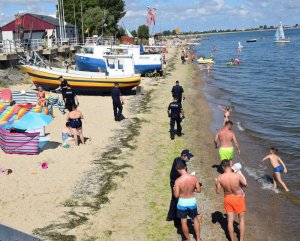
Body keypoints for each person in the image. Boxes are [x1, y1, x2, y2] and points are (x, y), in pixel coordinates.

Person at [216, 160, 247, 241]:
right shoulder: (237, 175)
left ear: (223, 167)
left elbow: (218, 192)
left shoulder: (220, 177)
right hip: (238, 198)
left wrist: (216, 184)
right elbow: (244, 184)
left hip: (228, 198)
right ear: (230, 165)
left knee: (230, 220)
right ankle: (241, 240)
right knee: (241, 219)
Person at [173, 161, 202, 241]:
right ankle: (198, 238)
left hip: (182, 202)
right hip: (191, 201)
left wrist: (174, 189)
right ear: (185, 167)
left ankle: (188, 239)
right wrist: (193, 189)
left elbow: (176, 195)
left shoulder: (178, 181)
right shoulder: (194, 178)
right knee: (195, 219)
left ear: (178, 170)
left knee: (183, 221)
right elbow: (199, 190)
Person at [167, 150, 194, 227]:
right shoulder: (180, 163)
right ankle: (177, 221)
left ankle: (170, 216)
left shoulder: (178, 159)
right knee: (177, 202)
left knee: (174, 200)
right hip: (176, 184)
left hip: (174, 182)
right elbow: (182, 175)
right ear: (183, 155)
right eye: (188, 157)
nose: (189, 158)